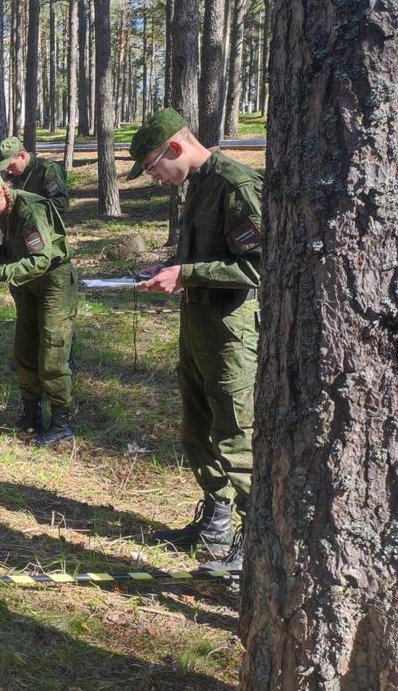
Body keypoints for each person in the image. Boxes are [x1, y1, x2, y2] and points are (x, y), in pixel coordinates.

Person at [131, 108, 262, 573]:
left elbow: (258, 265)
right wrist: (171, 269)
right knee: (196, 429)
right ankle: (217, 519)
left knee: (236, 436)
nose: (154, 177)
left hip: (230, 334)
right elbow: (204, 256)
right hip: (197, 326)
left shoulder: (235, 184)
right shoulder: (198, 186)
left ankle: (255, 541)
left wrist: (185, 274)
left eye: (153, 166)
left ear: (176, 147)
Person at [0, 169, 78, 447]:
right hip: (27, 284)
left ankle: (61, 423)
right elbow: (18, 250)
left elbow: (41, 259)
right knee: (24, 350)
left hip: (54, 282)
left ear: (0, 191)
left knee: (52, 353)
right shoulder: (3, 213)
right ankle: (31, 414)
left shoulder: (30, 208)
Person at [0, 136, 70, 214]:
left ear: (22, 155)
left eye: (11, 166)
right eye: (6, 168)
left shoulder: (48, 170)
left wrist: (30, 209)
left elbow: (61, 204)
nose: (9, 171)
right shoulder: (13, 175)